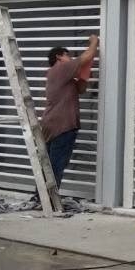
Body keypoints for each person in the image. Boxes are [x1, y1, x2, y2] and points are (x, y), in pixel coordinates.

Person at [39, 35, 99, 191]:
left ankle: (41, 196)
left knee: (49, 164)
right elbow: (87, 56)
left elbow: (81, 89)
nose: (71, 58)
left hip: (53, 124)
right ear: (59, 57)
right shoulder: (61, 68)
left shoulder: (60, 75)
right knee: (57, 164)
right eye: (68, 55)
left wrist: (84, 75)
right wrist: (94, 41)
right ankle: (49, 199)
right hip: (62, 126)